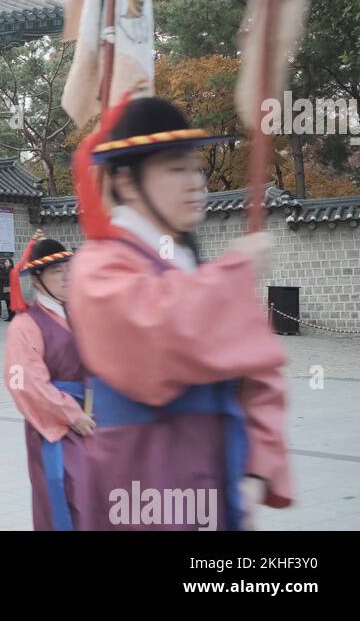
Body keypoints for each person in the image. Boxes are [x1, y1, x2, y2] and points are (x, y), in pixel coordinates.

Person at [68, 96, 292, 530]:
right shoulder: (98, 267)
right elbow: (156, 345)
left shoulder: (199, 271)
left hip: (219, 473)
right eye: (176, 169)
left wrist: (256, 466)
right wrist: (236, 271)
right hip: (142, 481)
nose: (196, 182)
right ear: (128, 183)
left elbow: (260, 374)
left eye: (196, 168)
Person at [3, 232, 95, 530]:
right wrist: (71, 414)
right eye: (58, 272)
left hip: (93, 419)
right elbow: (26, 383)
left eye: (69, 270)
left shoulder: (80, 315)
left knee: (92, 497)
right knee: (63, 496)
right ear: (36, 279)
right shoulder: (25, 325)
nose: (67, 277)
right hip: (54, 427)